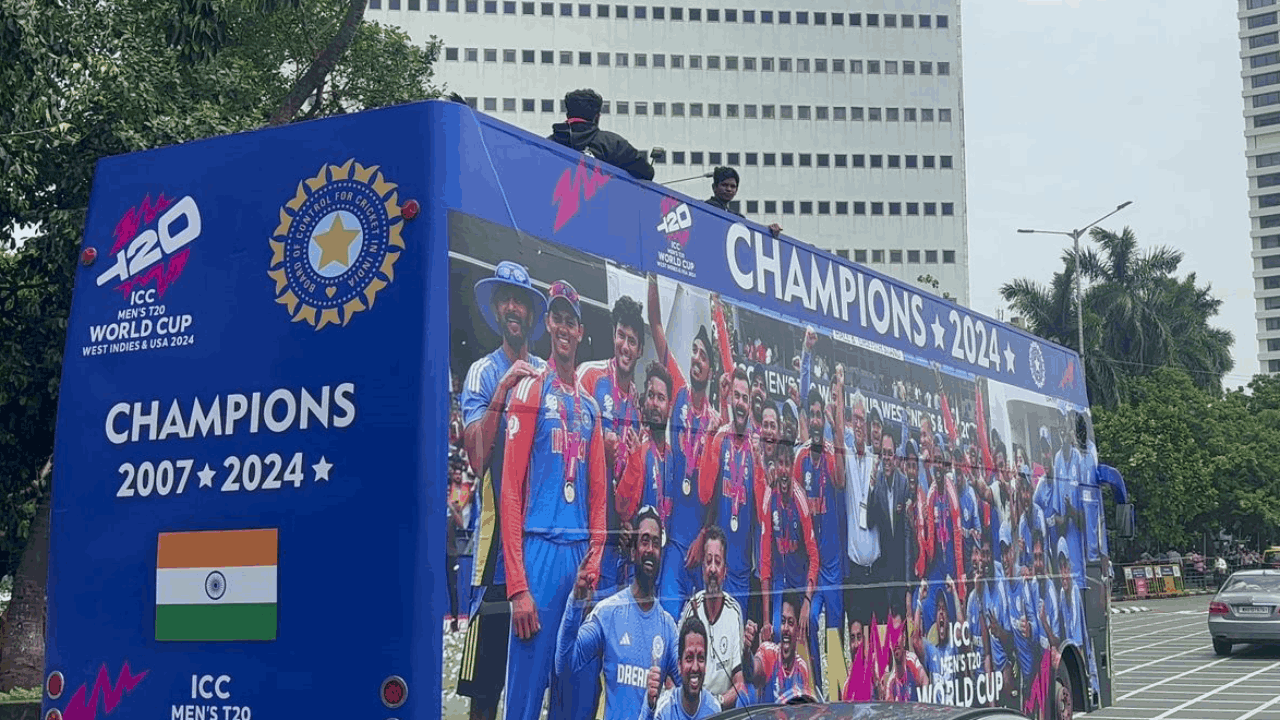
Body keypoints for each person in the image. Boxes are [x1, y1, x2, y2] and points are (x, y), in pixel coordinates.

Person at [500, 279, 608, 720]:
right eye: (557, 319)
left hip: (578, 558)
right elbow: (509, 489)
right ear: (547, 324)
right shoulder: (529, 389)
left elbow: (599, 497)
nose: (564, 328)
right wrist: (518, 586)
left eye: (572, 321)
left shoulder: (591, 409)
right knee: (526, 693)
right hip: (539, 553)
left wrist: (595, 558)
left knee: (576, 692)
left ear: (581, 332)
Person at [457, 260, 549, 720]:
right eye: (506, 299)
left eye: (522, 300)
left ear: (532, 313)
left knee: (532, 687)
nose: (514, 307)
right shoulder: (481, 372)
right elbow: (476, 456)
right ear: (496, 309)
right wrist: (503, 392)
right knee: (485, 695)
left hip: (539, 553)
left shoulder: (547, 375)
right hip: (494, 558)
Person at [556, 507, 680, 720]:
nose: (650, 549)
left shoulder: (668, 627)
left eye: (656, 543)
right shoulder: (608, 612)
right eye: (644, 541)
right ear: (633, 552)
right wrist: (575, 601)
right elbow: (565, 664)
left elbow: (688, 691)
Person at [579, 295, 647, 597]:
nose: (625, 346)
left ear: (640, 350)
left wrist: (628, 523)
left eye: (632, 341)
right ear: (613, 335)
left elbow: (631, 475)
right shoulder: (590, 377)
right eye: (621, 336)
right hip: (584, 525)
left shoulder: (637, 405)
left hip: (615, 534)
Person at [695, 366, 767, 615]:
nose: (741, 403)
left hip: (742, 570)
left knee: (736, 640)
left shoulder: (756, 446)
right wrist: (708, 440)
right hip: (716, 566)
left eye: (745, 398)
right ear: (729, 398)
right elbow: (704, 494)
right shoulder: (719, 438)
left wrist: (759, 462)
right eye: (736, 396)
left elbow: (761, 514)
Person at [678, 525, 748, 711]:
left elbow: (739, 683)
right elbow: (675, 672)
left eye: (718, 562)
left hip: (721, 708)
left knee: (746, 699)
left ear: (725, 571)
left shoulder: (734, 612)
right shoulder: (692, 608)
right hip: (692, 705)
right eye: (708, 561)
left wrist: (716, 703)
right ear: (702, 569)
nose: (712, 569)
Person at [550, 89, 655, 181]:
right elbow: (647, 173)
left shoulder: (549, 144)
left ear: (568, 115)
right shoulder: (614, 144)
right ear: (597, 117)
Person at [641, 616, 722, 720]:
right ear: (679, 665)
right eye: (689, 658)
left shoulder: (714, 710)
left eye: (701, 658)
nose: (695, 667)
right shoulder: (665, 710)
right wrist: (649, 705)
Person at [742, 591, 815, 703]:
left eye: (790, 623)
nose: (785, 628)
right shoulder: (769, 652)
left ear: (798, 629)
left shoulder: (802, 668)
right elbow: (751, 672)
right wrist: (747, 650)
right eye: (782, 621)